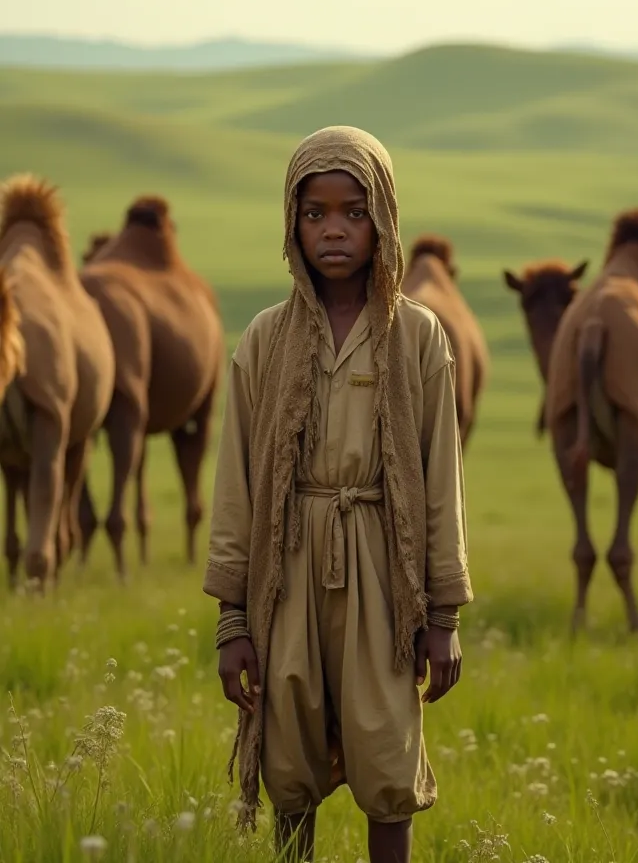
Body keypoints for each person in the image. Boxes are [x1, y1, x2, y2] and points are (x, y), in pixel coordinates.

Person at [203, 125, 473, 863]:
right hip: (287, 572)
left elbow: (441, 475)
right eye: (314, 213)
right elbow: (237, 485)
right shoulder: (265, 339)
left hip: (385, 573)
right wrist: (233, 620)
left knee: (387, 754)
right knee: (288, 756)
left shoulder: (416, 336)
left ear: (383, 217)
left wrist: (441, 613)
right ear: (291, 223)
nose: (333, 230)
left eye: (353, 212)